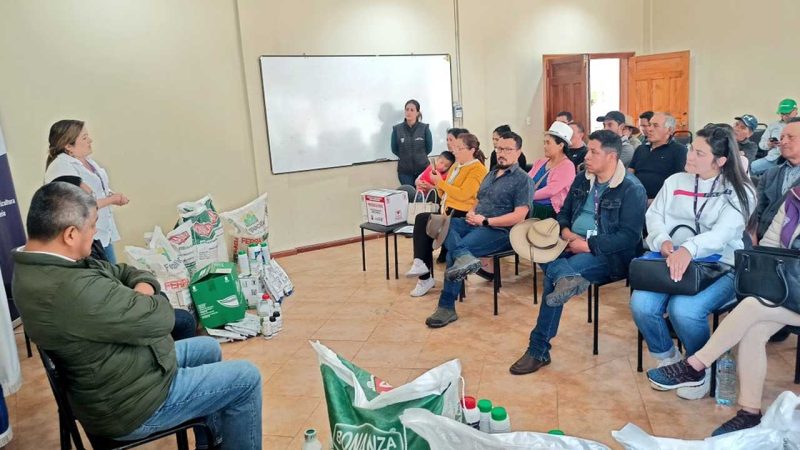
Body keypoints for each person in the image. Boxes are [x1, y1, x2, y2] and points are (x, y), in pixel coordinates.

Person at [12, 182, 262, 449]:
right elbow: (162, 318)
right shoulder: (71, 288)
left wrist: (141, 292)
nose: (95, 233)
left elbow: (123, 271)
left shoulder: (40, 265)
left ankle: (210, 442)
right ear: (70, 234)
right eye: (93, 225)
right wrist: (147, 296)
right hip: (132, 403)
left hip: (122, 372)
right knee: (247, 378)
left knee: (208, 348)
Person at [646, 186, 800, 436]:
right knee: (754, 330)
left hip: (792, 294)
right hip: (789, 291)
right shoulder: (794, 199)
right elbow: (770, 248)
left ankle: (695, 365)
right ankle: (750, 413)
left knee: (752, 306)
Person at [630, 125, 756, 400]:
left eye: (700, 153)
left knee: (684, 310)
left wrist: (689, 249)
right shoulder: (676, 181)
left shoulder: (739, 190)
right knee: (641, 304)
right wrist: (662, 240)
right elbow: (655, 215)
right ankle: (671, 360)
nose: (690, 156)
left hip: (721, 265)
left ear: (720, 161)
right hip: (672, 259)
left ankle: (700, 369)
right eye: (691, 149)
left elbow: (724, 233)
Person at [510, 130, 646, 375]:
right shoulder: (583, 178)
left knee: (553, 278)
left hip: (609, 255)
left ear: (612, 156)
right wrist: (565, 231)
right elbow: (564, 212)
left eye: (594, 152)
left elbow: (629, 237)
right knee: (537, 250)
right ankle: (566, 277)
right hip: (570, 242)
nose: (586, 156)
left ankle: (538, 349)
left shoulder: (631, 188)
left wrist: (588, 245)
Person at [424, 131, 533, 328]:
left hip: (501, 231)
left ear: (518, 152)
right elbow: (479, 199)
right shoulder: (491, 174)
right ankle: (464, 256)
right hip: (476, 222)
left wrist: (486, 221)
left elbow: (520, 216)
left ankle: (446, 307)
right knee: (442, 223)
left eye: (507, 149)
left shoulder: (523, 179)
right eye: (499, 148)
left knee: (454, 253)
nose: (502, 153)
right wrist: (472, 212)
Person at [405, 133, 488, 297]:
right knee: (422, 221)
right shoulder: (456, 166)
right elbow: (444, 192)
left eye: (459, 148)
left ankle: (423, 274)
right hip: (446, 210)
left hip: (461, 214)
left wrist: (440, 183)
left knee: (424, 221)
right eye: (454, 148)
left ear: (472, 150)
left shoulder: (478, 169)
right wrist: (437, 183)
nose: (454, 151)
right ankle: (422, 270)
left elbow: (463, 194)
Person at [44, 120, 128, 263]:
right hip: (84, 239)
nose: (90, 140)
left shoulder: (87, 161)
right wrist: (112, 200)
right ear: (68, 146)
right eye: (84, 138)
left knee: (112, 272)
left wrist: (110, 194)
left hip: (101, 232)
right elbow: (79, 205)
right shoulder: (60, 167)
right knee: (104, 274)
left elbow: (97, 188)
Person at [628, 112, 688, 203]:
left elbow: (679, 185)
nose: (649, 129)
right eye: (649, 125)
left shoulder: (679, 151)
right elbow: (630, 174)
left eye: (655, 126)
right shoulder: (641, 149)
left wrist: (652, 202)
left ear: (669, 130)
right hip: (634, 200)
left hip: (661, 203)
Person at [527, 122, 577, 219]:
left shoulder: (567, 166)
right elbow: (526, 180)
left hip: (549, 211)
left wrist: (527, 196)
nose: (544, 146)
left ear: (561, 145)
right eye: (544, 143)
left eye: (548, 143)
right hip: (530, 204)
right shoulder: (540, 162)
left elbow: (551, 191)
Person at [391, 99, 433, 186]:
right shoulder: (397, 129)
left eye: (412, 110)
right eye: (407, 109)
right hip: (405, 172)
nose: (408, 112)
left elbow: (429, 148)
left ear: (417, 113)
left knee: (422, 193)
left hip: (423, 169)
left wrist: (419, 157)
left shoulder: (424, 128)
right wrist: (405, 156)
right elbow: (394, 149)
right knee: (410, 192)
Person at [751, 98, 798, 176]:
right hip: (773, 159)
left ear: (795, 111)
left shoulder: (798, 126)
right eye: (782, 114)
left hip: (793, 159)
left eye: (787, 113)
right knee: (751, 167)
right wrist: (769, 144)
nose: (785, 116)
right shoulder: (773, 126)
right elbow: (761, 144)